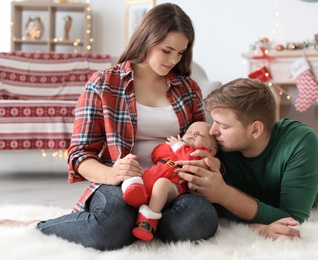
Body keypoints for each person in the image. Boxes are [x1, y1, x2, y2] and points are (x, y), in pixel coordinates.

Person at [0, 3, 218, 251]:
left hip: (171, 186)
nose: (173, 60)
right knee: (111, 222)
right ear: (146, 39)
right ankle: (38, 226)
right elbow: (79, 155)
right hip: (121, 184)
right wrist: (112, 174)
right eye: (167, 50)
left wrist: (206, 161)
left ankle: (141, 221)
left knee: (200, 219)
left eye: (180, 52)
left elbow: (203, 140)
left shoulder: (187, 88)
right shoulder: (103, 83)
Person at [177, 78, 318, 239]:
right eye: (214, 123)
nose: (213, 131)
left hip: (314, 207)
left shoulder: (299, 141)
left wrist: (223, 194)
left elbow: (292, 220)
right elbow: (223, 212)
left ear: (255, 130)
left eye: (223, 126)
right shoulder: (219, 146)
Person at [122, 121, 218, 241]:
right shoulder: (173, 148)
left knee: (161, 184)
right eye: (189, 132)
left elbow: (190, 158)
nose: (193, 134)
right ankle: (138, 197)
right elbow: (155, 154)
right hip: (148, 178)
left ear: (212, 151)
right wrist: (169, 146)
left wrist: (180, 147)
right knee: (132, 172)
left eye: (200, 135)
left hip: (173, 186)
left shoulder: (203, 156)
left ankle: (147, 221)